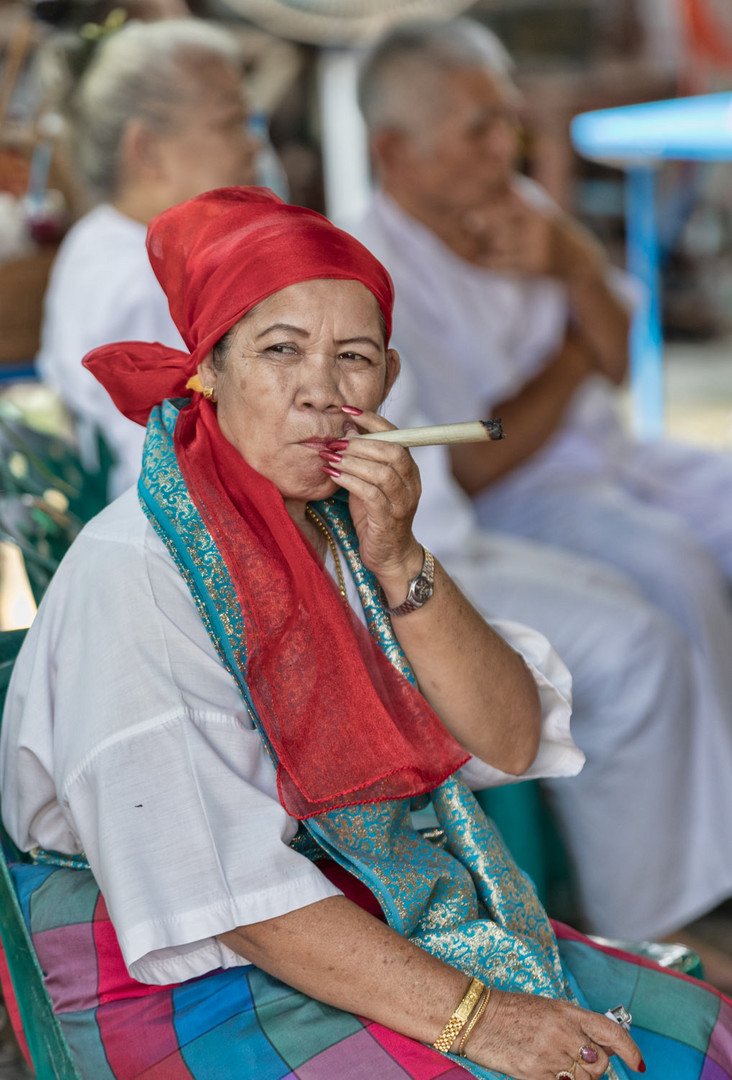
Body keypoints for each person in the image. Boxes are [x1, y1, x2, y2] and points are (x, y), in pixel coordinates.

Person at [28, 13, 725, 961]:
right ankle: (652, 923)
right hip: (219, 981)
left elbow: (511, 737)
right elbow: (234, 907)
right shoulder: (147, 568)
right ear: (205, 374)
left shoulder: (343, 529)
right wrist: (479, 1014)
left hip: (360, 915)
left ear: (387, 382)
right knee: (639, 624)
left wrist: (399, 555)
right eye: (279, 352)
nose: (321, 390)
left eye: (354, 361)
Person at [354, 15, 732, 954]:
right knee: (670, 574)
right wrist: (571, 348)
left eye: (508, 122)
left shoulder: (519, 204)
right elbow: (477, 457)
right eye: (478, 128)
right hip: (510, 501)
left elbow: (613, 355)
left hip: (608, 455)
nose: (507, 147)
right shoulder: (377, 273)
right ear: (393, 152)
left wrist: (568, 261)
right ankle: (676, 908)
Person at [35, 18, 258, 496]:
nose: (252, 144)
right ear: (147, 149)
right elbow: (183, 471)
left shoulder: (101, 240)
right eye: (231, 122)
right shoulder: (147, 281)